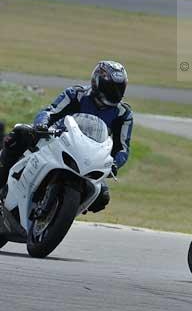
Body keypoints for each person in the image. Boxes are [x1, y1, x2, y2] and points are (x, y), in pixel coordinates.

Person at [0, 61, 133, 213]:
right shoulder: (76, 94)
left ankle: (59, 212)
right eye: (111, 88)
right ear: (97, 83)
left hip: (89, 157)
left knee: (102, 196)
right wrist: (42, 124)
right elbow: (50, 111)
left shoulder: (124, 114)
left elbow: (123, 148)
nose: (115, 93)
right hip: (58, 139)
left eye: (119, 88)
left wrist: (114, 164)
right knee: (19, 133)